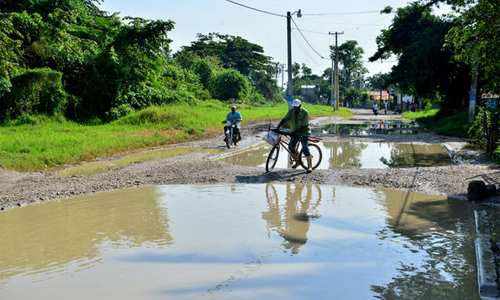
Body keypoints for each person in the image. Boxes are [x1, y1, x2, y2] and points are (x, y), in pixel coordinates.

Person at [277, 99, 313, 173]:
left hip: (304, 132)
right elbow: (284, 119)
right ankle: (298, 161)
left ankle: (310, 166)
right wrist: (278, 127)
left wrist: (294, 132)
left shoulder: (305, 113)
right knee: (290, 146)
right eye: (294, 107)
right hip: (295, 131)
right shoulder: (291, 111)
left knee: (305, 147)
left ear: (300, 106)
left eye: (297, 107)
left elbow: (304, 126)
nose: (295, 108)